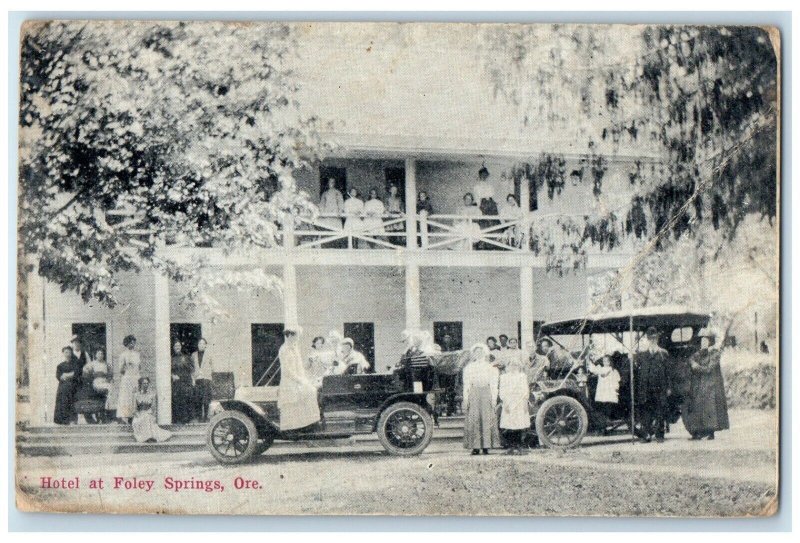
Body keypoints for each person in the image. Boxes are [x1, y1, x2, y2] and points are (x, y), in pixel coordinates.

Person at [682, 331, 730, 440]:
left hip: (712, 385)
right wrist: (693, 362)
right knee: (700, 407)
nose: (703, 343)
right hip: (702, 384)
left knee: (710, 408)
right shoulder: (702, 353)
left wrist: (696, 366)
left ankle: (710, 432)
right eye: (702, 341)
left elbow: (709, 368)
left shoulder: (715, 353)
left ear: (710, 341)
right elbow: (691, 359)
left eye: (705, 340)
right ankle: (700, 432)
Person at [277, 327, 321, 431]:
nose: (297, 339)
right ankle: (296, 427)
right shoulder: (284, 349)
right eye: (296, 336)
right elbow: (287, 370)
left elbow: (300, 367)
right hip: (290, 381)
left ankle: (308, 423)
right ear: (289, 336)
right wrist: (300, 380)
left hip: (297, 379)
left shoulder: (294, 348)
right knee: (309, 392)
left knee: (312, 390)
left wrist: (305, 379)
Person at [462, 343, 501, 455]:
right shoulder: (469, 368)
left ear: (485, 353)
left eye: (481, 352)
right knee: (474, 419)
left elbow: (494, 384)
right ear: (474, 354)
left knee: (486, 419)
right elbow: (466, 385)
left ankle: (486, 446)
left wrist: (493, 399)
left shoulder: (491, 367)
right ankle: (475, 447)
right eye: (476, 352)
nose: (479, 354)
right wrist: (466, 398)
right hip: (474, 393)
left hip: (486, 393)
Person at [635, 327, 671, 443]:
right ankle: (647, 435)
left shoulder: (663, 354)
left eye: (654, 338)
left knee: (660, 411)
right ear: (647, 339)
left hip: (660, 388)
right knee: (646, 413)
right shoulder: (642, 355)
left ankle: (660, 435)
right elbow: (638, 373)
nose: (652, 341)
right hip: (646, 389)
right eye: (650, 339)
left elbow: (668, 373)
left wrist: (669, 387)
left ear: (657, 339)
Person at [499, 357, 531, 455]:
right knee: (509, 424)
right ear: (507, 367)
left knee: (519, 424)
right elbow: (502, 390)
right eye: (511, 365)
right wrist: (505, 402)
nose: (513, 367)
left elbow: (525, 390)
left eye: (515, 365)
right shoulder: (504, 377)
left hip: (519, 401)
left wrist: (525, 401)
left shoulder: (522, 376)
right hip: (508, 401)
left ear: (519, 366)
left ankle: (519, 446)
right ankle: (510, 447)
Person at [73, 348, 110, 424]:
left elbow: (110, 374)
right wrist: (91, 376)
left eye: (102, 354)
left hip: (105, 382)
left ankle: (106, 412)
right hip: (96, 382)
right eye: (99, 353)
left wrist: (107, 379)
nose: (100, 355)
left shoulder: (106, 364)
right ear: (96, 355)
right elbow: (85, 371)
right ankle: (100, 413)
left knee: (110, 391)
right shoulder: (92, 364)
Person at [132, 377, 172, 443]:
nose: (146, 385)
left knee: (147, 418)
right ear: (140, 384)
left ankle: (149, 437)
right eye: (144, 383)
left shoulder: (152, 395)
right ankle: (145, 437)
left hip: (149, 413)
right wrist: (138, 415)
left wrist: (154, 416)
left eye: (147, 383)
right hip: (139, 414)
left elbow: (154, 408)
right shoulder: (136, 395)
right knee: (140, 420)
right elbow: (134, 409)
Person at [115, 335, 141, 423]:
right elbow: (121, 370)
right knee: (126, 397)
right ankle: (124, 416)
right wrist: (126, 366)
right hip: (127, 378)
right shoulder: (123, 355)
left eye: (134, 342)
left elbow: (139, 367)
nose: (132, 344)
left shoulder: (137, 354)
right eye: (130, 342)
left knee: (135, 397)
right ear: (126, 343)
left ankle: (133, 417)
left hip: (136, 377)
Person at [587, 355, 622, 420]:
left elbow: (597, 371)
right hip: (605, 390)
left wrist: (590, 363)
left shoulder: (608, 369)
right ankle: (606, 420)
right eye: (604, 361)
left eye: (606, 361)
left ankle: (607, 420)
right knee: (605, 404)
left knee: (607, 405)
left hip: (608, 390)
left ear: (610, 362)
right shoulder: (607, 369)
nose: (605, 363)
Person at [53, 346, 80, 425]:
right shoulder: (60, 366)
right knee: (63, 393)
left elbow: (76, 374)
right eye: (66, 352)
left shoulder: (75, 364)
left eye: (69, 352)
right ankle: (63, 419)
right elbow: (59, 376)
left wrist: (66, 375)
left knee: (67, 391)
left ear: (71, 353)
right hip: (63, 385)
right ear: (63, 353)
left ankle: (72, 419)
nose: (68, 354)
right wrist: (69, 374)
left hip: (73, 385)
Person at [171, 340, 194, 424]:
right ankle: (177, 420)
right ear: (173, 348)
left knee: (185, 400)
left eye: (179, 346)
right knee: (177, 400)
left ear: (181, 347)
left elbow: (191, 369)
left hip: (185, 381)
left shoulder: (186, 357)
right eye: (176, 346)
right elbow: (168, 370)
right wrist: (172, 375)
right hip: (176, 383)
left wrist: (185, 364)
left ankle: (186, 419)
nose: (177, 347)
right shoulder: (171, 358)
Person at [191, 338, 214, 423]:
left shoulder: (209, 355)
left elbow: (212, 366)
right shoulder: (194, 355)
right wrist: (193, 378)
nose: (201, 345)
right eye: (199, 343)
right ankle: (200, 417)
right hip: (198, 379)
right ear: (198, 345)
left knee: (206, 399)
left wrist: (209, 375)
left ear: (205, 345)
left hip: (206, 379)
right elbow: (192, 368)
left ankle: (206, 417)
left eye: (203, 344)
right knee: (198, 399)